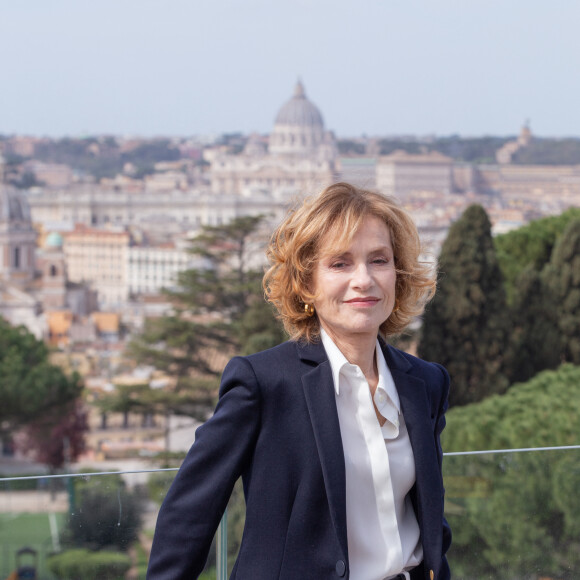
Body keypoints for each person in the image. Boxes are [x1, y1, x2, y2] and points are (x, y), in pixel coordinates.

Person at [146, 182, 451, 580]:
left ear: (398, 273)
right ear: (306, 284)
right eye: (340, 264)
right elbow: (188, 516)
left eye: (379, 260)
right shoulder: (263, 384)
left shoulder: (425, 383)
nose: (364, 280)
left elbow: (428, 518)